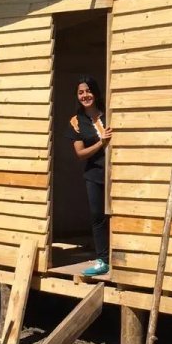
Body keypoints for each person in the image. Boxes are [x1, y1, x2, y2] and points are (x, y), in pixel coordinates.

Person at [68, 75, 112, 278]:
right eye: (81, 92)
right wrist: (101, 143)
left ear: (95, 92)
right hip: (94, 173)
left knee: (116, 214)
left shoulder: (109, 113)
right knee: (98, 217)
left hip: (115, 172)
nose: (85, 95)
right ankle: (102, 259)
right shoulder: (76, 121)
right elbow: (80, 153)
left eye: (88, 91)